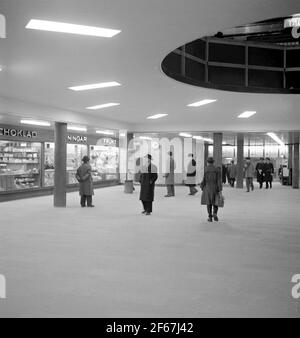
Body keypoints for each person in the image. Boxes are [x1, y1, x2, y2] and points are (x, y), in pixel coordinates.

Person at [200, 157, 222, 222]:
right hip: (215, 187)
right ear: (213, 162)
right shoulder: (217, 169)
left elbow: (204, 180)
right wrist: (220, 189)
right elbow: (219, 180)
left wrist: (202, 186)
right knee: (216, 202)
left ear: (207, 162)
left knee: (208, 202)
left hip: (208, 188)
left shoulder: (206, 169)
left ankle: (210, 217)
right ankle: (215, 213)